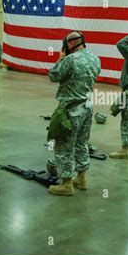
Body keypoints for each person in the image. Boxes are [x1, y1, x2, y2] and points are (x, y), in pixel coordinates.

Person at [47, 32, 101, 196]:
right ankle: (82, 178)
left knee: (64, 145)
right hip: (87, 106)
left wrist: (60, 58)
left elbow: (53, 75)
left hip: (71, 109)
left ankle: (66, 184)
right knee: (81, 143)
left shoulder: (70, 59)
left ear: (70, 45)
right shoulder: (95, 59)